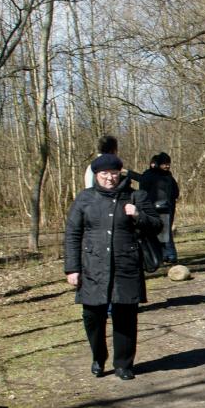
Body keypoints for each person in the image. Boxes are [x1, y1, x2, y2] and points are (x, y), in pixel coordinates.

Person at [64, 154, 161, 380]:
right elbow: (72, 234)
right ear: (96, 175)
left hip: (126, 265)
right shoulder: (85, 198)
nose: (110, 178)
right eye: (104, 174)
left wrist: (138, 215)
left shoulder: (136, 196)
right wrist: (72, 268)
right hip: (92, 267)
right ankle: (99, 357)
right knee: (92, 316)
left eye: (114, 173)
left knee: (125, 316)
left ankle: (123, 364)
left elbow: (156, 225)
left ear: (121, 173)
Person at [138, 153, 180, 263]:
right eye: (164, 164)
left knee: (165, 232)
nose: (167, 166)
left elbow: (175, 192)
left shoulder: (168, 176)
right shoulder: (151, 176)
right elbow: (143, 190)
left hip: (166, 207)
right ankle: (165, 255)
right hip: (154, 207)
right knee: (159, 233)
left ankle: (169, 255)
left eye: (168, 164)